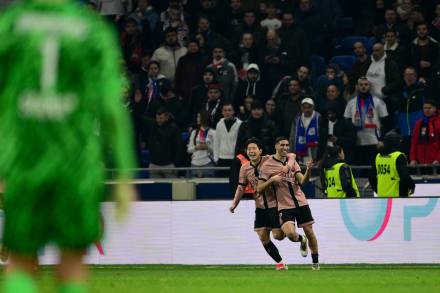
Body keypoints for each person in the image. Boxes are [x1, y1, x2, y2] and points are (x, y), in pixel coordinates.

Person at [0, 1, 136, 292]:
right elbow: (113, 109)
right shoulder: (92, 30)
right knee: (72, 264)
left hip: (25, 160)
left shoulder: (10, 26)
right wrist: (125, 172)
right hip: (76, 163)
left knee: (21, 261)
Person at [257, 137, 319, 270]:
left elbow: (302, 181)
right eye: (282, 145)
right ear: (276, 146)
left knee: (310, 231)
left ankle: (315, 263)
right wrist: (272, 180)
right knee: (290, 234)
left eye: (287, 145)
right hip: (284, 205)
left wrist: (308, 170)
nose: (285, 148)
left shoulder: (292, 161)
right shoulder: (267, 165)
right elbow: (259, 189)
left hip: (301, 202)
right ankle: (301, 239)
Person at [230, 138, 291, 270]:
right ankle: (280, 263)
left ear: (260, 151)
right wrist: (235, 203)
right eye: (249, 149)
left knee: (278, 236)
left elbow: (287, 156)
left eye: (254, 148)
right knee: (263, 236)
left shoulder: (269, 160)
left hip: (275, 204)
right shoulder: (244, 168)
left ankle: (290, 230)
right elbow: (241, 187)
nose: (251, 151)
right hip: (260, 206)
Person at [344, 77, 389, 166]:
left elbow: (386, 122)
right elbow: (347, 123)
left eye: (366, 84)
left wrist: (382, 139)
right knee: (359, 169)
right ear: (357, 87)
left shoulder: (378, 102)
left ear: (370, 86)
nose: (363, 87)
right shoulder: (351, 103)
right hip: (357, 141)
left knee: (373, 168)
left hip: (374, 141)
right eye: (361, 85)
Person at [369, 132, 415, 197]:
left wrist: (377, 190)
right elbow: (404, 176)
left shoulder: (378, 156)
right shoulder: (398, 156)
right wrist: (412, 185)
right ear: (396, 143)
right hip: (397, 196)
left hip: (382, 196)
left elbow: (371, 177)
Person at [214, 103, 242, 177]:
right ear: (222, 112)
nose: (227, 112)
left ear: (233, 112)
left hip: (234, 159)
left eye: (229, 110)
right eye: (225, 110)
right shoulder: (219, 124)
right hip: (221, 159)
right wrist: (216, 158)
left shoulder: (240, 124)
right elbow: (216, 142)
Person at [409, 99, 440, 167]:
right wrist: (413, 159)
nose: (427, 110)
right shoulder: (419, 123)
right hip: (420, 163)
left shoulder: (438, 123)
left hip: (436, 163)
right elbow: (414, 142)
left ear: (435, 108)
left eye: (429, 108)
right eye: (425, 108)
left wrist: (438, 159)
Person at [187, 111, 216, 178]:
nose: (197, 119)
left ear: (204, 118)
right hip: (194, 164)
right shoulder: (194, 132)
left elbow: (216, 151)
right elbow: (189, 150)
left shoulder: (214, 132)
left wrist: (207, 147)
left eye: (199, 117)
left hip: (208, 163)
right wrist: (197, 147)